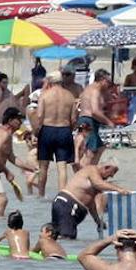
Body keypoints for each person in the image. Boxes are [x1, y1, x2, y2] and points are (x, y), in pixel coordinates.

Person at [0, 107, 36, 218]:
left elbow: (11, 157)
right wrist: (7, 172)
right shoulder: (5, 134)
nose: (21, 122)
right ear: (10, 120)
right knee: (2, 200)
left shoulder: (3, 132)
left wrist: (29, 168)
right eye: (18, 119)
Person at [52, 162, 129, 240]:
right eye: (113, 172)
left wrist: (98, 221)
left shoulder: (94, 183)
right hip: (67, 205)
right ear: (106, 167)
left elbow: (91, 205)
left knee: (56, 235)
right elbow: (98, 184)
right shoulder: (92, 170)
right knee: (67, 237)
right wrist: (118, 189)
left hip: (65, 205)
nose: (112, 176)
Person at [33, 68, 77, 196]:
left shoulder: (44, 95)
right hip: (64, 129)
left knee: (43, 166)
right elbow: (74, 119)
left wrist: (36, 131)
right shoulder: (70, 96)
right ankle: (62, 195)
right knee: (62, 167)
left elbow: (39, 116)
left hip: (47, 129)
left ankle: (41, 195)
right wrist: (70, 130)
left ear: (50, 81)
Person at [76, 69, 115, 166]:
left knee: (100, 148)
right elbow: (95, 111)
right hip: (88, 121)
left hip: (85, 120)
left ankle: (91, 169)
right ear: (102, 80)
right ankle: (84, 171)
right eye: (108, 82)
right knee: (90, 152)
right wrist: (108, 122)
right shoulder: (95, 91)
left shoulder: (89, 88)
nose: (108, 84)